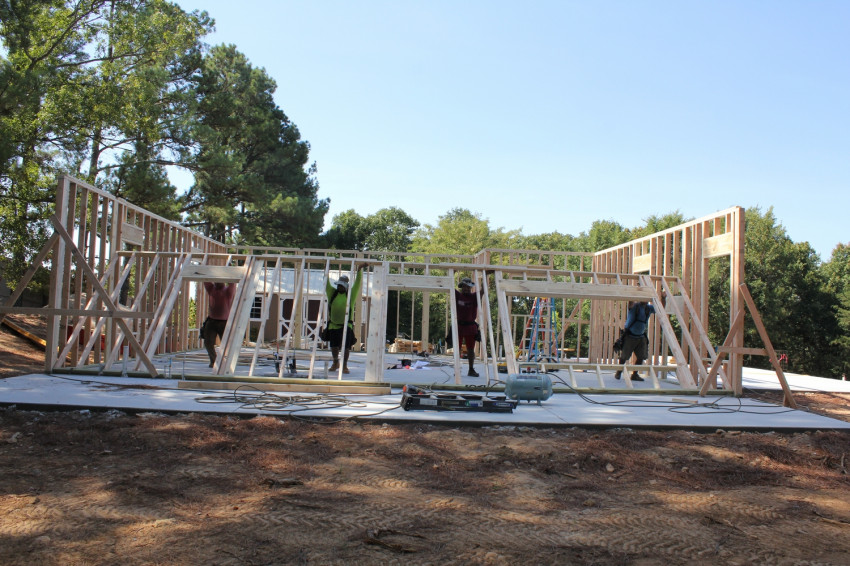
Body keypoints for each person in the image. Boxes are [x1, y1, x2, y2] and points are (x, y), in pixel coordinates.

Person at [325, 265, 364, 374]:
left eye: (342, 286)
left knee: (346, 347)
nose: (340, 287)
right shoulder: (332, 293)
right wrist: (326, 270)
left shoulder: (350, 295)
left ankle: (345, 365)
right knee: (333, 346)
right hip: (333, 325)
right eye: (339, 286)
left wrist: (359, 270)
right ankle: (335, 362)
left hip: (347, 325)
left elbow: (357, 284)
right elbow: (326, 282)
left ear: (346, 287)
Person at [614, 300, 655, 381]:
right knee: (624, 356)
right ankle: (619, 372)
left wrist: (663, 298)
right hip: (630, 336)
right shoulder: (635, 306)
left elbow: (660, 309)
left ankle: (634, 375)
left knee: (641, 356)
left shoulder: (648, 308)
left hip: (641, 336)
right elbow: (630, 302)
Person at [202, 282, 236, 368]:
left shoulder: (228, 291)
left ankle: (224, 362)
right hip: (211, 320)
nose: (217, 282)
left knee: (226, 344)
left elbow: (232, 282)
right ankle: (214, 361)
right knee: (208, 342)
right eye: (216, 280)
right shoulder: (212, 289)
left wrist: (230, 270)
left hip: (224, 322)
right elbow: (206, 279)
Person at [454, 276, 482, 377]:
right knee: (457, 349)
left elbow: (482, 292)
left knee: (470, 349)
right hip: (459, 326)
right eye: (464, 287)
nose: (466, 289)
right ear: (461, 287)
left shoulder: (474, 297)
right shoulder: (458, 296)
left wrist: (485, 280)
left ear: (470, 288)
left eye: (468, 287)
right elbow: (449, 288)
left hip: (470, 326)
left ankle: (471, 369)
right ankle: (457, 370)